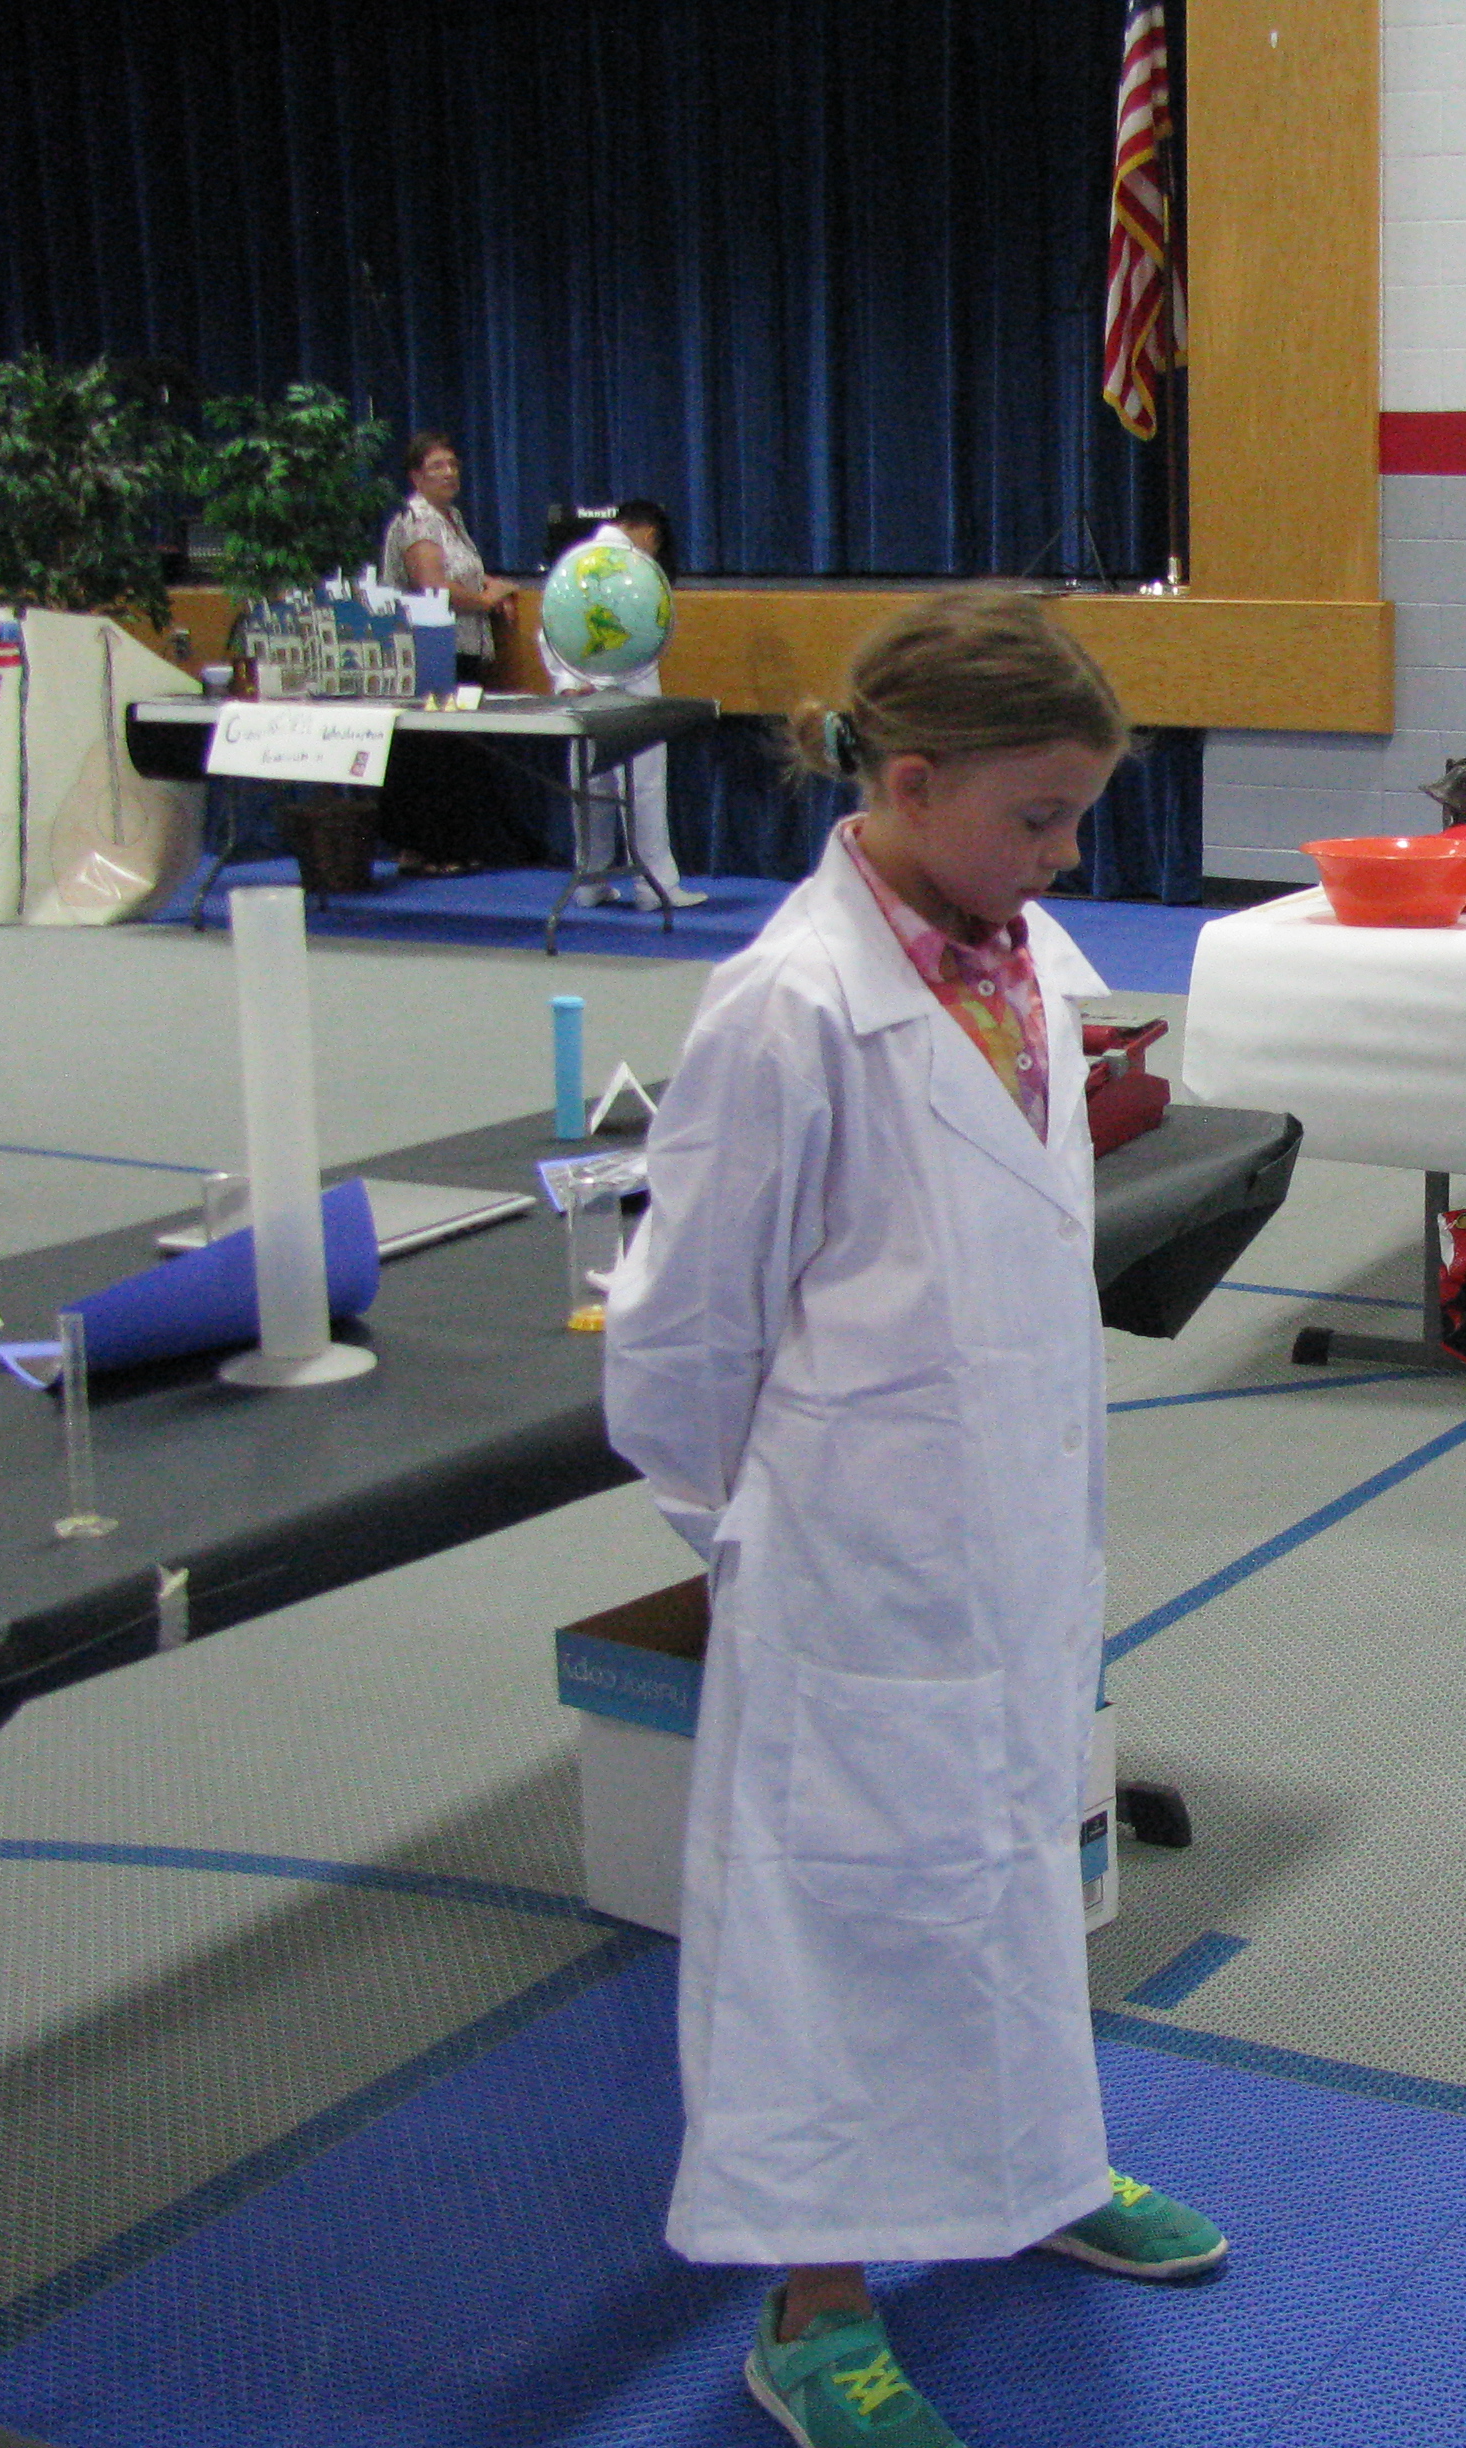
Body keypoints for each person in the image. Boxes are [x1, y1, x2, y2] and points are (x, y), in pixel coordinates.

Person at [600, 589, 1221, 2448]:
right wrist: (764, 1533)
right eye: (1038, 815)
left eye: (1080, 815)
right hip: (849, 1558)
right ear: (912, 778)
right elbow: (681, 1339)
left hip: (1010, 1525)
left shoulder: (1013, 951)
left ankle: (1035, 2168)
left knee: (1018, 1855)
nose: (1065, 854)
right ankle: (813, 2307)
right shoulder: (791, 1005)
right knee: (842, 1914)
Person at [374, 431, 529, 877]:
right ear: (415, 476)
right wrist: (486, 599)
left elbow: (462, 574)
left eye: (453, 465)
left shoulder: (451, 518)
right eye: (437, 466)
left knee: (453, 750)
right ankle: (429, 849)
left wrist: (491, 588)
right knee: (432, 750)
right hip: (432, 653)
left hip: (462, 648)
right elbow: (433, 586)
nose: (449, 473)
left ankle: (446, 845)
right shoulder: (418, 520)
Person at [549, 499, 706, 911]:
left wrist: (568, 681)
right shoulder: (639, 570)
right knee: (643, 789)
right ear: (651, 534)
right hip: (633, 690)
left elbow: (551, 625)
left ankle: (590, 881)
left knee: (590, 787)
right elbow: (652, 630)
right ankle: (655, 887)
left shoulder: (575, 562)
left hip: (582, 690)